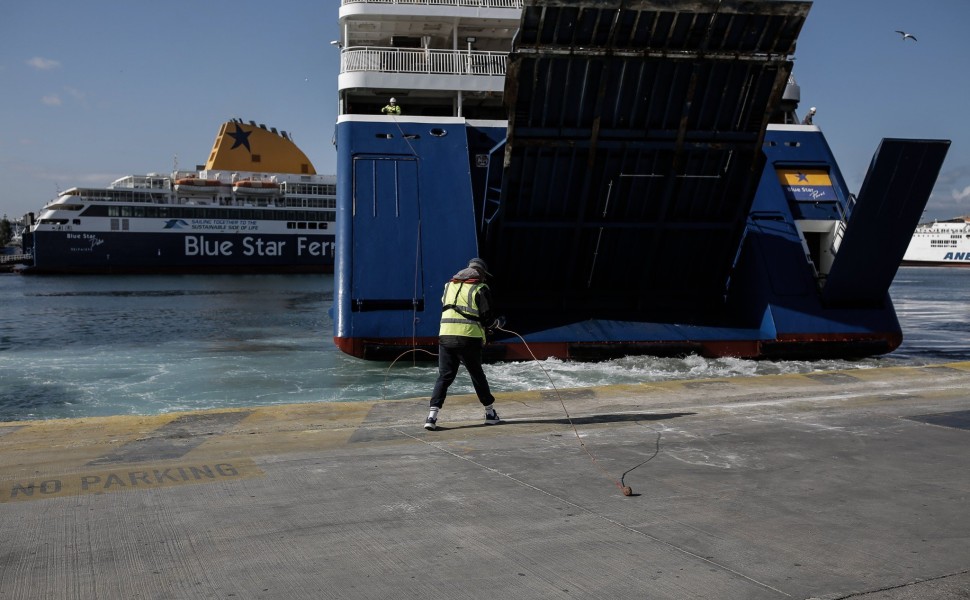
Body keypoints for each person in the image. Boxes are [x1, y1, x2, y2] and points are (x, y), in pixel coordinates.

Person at [424, 258, 503, 431]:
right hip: (468, 338)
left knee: (444, 376)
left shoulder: (448, 286)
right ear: (480, 273)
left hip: (445, 337)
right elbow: (487, 318)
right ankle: (490, 413)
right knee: (476, 375)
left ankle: (431, 417)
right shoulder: (480, 288)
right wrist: (497, 324)